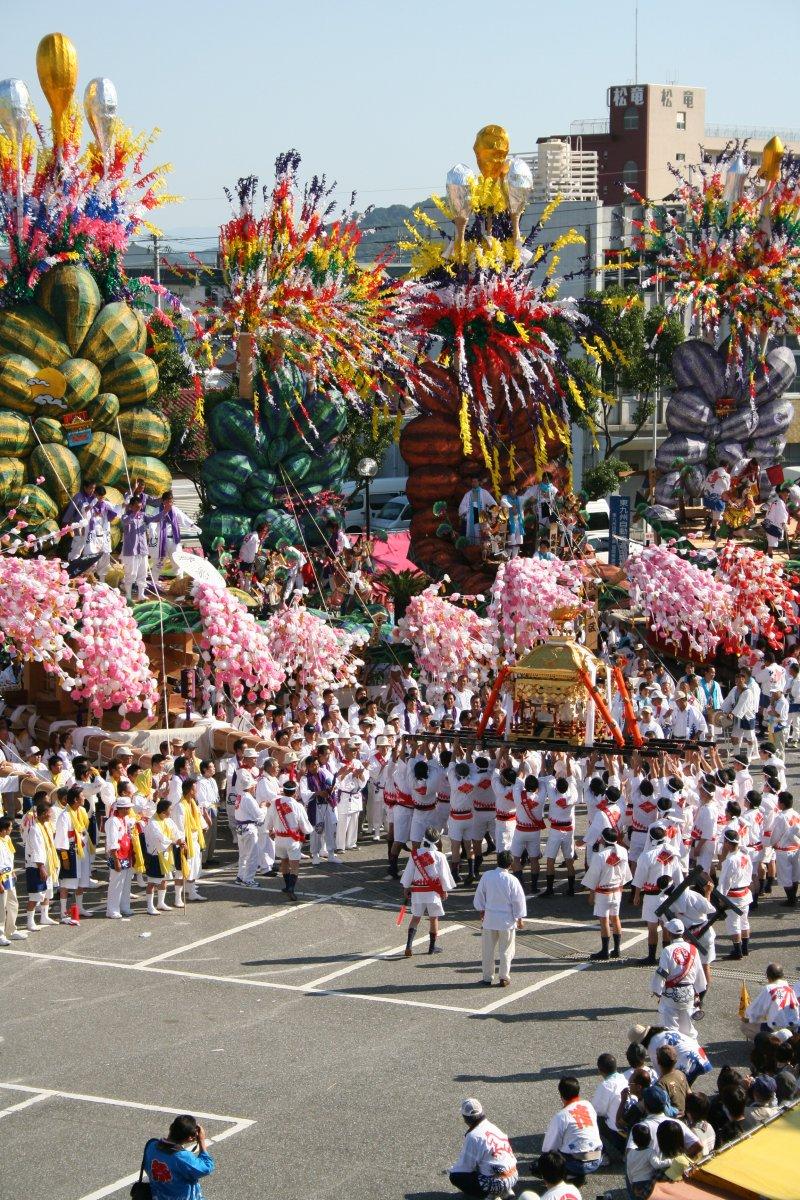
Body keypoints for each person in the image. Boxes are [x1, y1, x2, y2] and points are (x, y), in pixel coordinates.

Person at [473, 850, 527, 987]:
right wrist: (519, 918)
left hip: (490, 919)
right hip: (506, 921)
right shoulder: (512, 880)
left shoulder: (487, 876)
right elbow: (518, 901)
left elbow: (480, 895)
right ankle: (504, 977)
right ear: (510, 864)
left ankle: (487, 977)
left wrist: (481, 910)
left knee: (487, 950)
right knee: (506, 951)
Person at [400, 826, 456, 957]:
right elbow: (444, 875)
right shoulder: (440, 856)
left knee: (415, 918)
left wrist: (406, 887)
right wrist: (445, 890)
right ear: (437, 841)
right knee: (433, 918)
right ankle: (431, 947)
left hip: (418, 891)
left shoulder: (415, 854)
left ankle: (408, 946)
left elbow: (408, 873)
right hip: (433, 893)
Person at [448, 1097, 518, 1198]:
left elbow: (465, 1167)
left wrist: (453, 1169)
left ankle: (490, 1195)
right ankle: (506, 1191)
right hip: (513, 1176)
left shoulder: (473, 1136)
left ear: (465, 1118)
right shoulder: (492, 1127)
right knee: (486, 1161)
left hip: (497, 1183)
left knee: (456, 1176)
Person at [582, 825, 631, 960]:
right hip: (617, 890)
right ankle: (616, 949)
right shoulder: (622, 851)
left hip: (604, 892)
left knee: (604, 921)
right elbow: (626, 874)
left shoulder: (600, 856)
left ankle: (604, 951)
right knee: (615, 918)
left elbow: (594, 877)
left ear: (603, 840)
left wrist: (591, 895)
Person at [541, 1077, 603, 1182]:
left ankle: (570, 1175)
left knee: (548, 1158)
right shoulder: (588, 1105)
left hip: (576, 1163)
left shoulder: (561, 1116)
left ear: (561, 1095)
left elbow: (548, 1148)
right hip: (597, 1158)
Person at [650, 919, 705, 1038]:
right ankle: (691, 1051)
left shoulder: (667, 950)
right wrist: (699, 991)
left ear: (669, 933)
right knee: (688, 1028)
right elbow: (699, 972)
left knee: (669, 1028)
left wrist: (657, 990)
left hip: (671, 994)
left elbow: (662, 973)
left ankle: (672, 1053)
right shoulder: (692, 949)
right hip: (689, 992)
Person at [141, 1114, 214, 1200]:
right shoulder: (183, 1157)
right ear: (190, 1138)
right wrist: (201, 1141)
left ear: (171, 1127)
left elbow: (146, 1166)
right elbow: (207, 1167)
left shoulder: (151, 1145)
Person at [267, 779, 313, 901]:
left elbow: (268, 822)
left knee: (284, 862)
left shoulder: (275, 804)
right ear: (295, 792)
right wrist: (306, 831)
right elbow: (305, 826)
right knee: (295, 865)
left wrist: (271, 831)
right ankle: (291, 888)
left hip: (279, 839)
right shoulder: (298, 806)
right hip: (292, 840)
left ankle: (287, 886)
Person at [146, 490, 200, 584]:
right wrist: (152, 531)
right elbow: (152, 522)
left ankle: (180, 583)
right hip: (162, 540)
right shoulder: (156, 510)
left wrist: (193, 526)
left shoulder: (175, 509)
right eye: (167, 501)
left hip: (174, 540)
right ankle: (154, 583)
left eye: (171, 501)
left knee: (178, 561)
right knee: (159, 562)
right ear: (163, 501)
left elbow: (184, 518)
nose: (170, 503)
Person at [24, 798, 59, 931]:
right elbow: (37, 849)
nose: (51, 815)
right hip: (37, 866)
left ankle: (44, 916)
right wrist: (41, 867)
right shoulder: (35, 829)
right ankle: (30, 921)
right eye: (50, 812)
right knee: (36, 894)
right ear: (44, 813)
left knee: (48, 891)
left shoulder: (46, 825)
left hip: (47, 862)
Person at [142, 798, 182, 914]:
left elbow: (176, 832)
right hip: (155, 855)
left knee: (164, 879)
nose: (171, 811)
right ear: (163, 812)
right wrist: (174, 842)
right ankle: (150, 906)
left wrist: (180, 840)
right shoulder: (153, 822)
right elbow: (160, 837)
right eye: (170, 810)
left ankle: (161, 903)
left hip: (167, 854)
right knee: (152, 882)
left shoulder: (168, 820)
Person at [742, 963, 800, 1037]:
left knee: (744, 1026)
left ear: (768, 977)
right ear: (782, 976)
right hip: (794, 1029)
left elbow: (756, 1010)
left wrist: (747, 1018)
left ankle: (767, 1045)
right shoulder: (790, 989)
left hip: (777, 1029)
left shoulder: (769, 989)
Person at [592, 1053, 629, 1160]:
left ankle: (602, 1155)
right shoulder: (625, 1077)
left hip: (620, 1134)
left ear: (600, 1070)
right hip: (632, 1129)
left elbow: (597, 1111)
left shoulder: (606, 1086)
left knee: (592, 1118)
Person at [105, 792, 136, 919]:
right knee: (116, 883)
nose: (130, 809)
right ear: (122, 808)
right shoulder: (113, 821)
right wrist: (116, 860)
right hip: (118, 855)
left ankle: (124, 906)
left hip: (127, 854)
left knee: (126, 882)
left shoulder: (125, 819)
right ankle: (112, 909)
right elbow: (112, 843)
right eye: (128, 807)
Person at [0, 815, 26, 945]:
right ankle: (0, 934)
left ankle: (11, 930)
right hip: (1, 878)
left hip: (9, 875)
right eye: (10, 827)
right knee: (1, 907)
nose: (11, 829)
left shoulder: (7, 839)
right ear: (3, 830)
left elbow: (9, 857)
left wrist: (13, 871)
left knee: (13, 903)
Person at [120, 494, 150, 600]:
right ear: (131, 506)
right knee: (130, 573)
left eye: (140, 506)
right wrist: (133, 513)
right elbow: (126, 521)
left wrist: (165, 511)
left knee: (143, 573)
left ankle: (141, 595)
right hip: (131, 551)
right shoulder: (125, 516)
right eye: (136, 506)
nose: (139, 508)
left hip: (142, 550)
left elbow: (154, 518)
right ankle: (128, 596)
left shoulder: (143, 515)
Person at [459, 477, 497, 546]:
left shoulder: (484, 492)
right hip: (470, 519)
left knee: (481, 537)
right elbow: (462, 507)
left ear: (479, 482)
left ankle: (482, 551)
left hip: (481, 519)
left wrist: (493, 515)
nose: (474, 483)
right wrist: (466, 510)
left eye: (475, 481)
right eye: (473, 482)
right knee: (470, 538)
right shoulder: (467, 494)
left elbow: (492, 503)